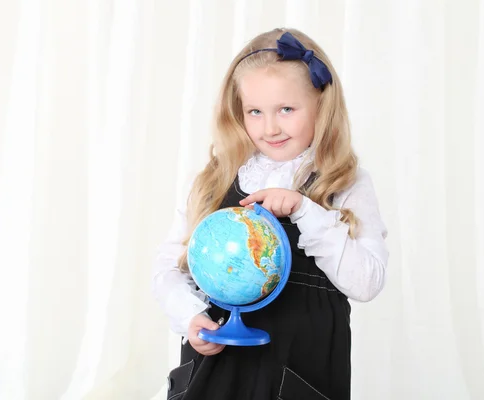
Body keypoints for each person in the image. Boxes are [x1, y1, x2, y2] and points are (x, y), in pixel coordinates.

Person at [152, 27, 388, 400]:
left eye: (287, 109)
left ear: (321, 105)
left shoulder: (344, 181)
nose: (270, 127)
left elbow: (367, 282)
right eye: (255, 112)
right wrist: (190, 317)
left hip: (300, 370)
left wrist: (304, 210)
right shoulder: (215, 180)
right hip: (216, 367)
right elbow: (168, 268)